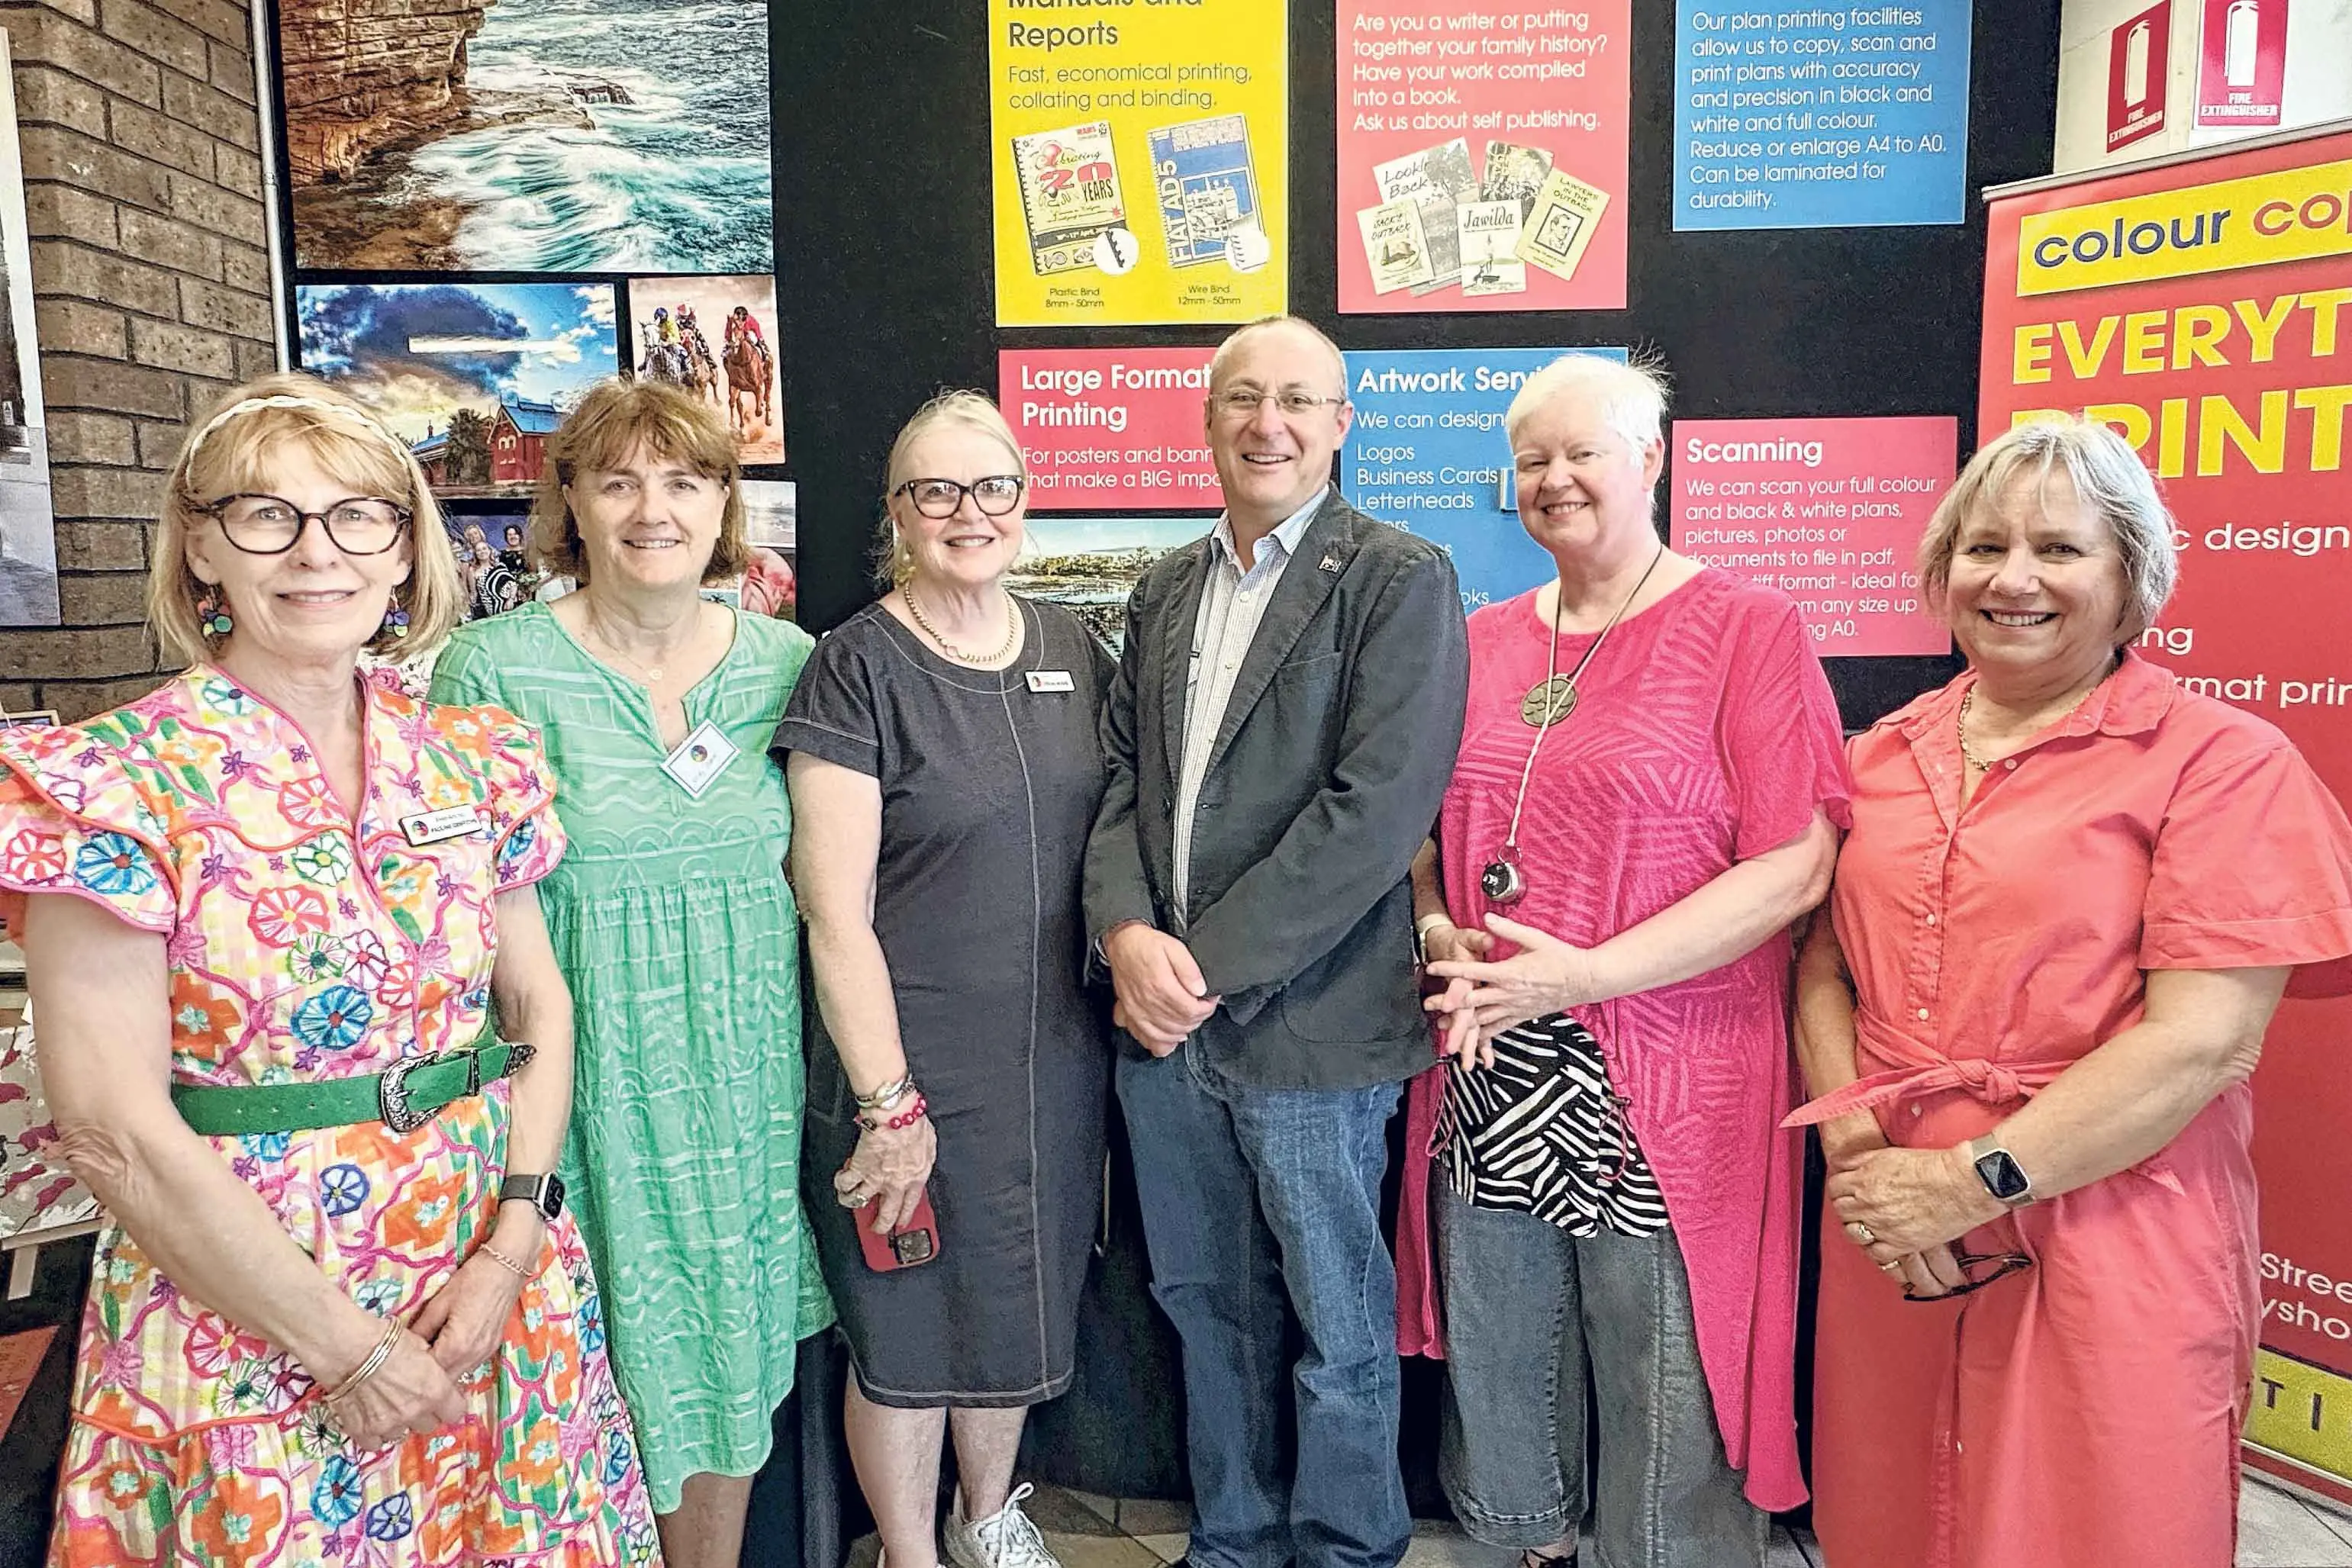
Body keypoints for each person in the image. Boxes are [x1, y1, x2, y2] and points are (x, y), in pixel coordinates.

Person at [5, 374, 657, 1565]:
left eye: (359, 514)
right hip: (248, 1310)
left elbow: (537, 1003)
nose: (318, 552)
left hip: (486, 1284)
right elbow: (111, 1129)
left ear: (406, 547)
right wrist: (345, 1349)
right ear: (200, 545)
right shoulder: (114, 784)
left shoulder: (472, 757)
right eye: (267, 515)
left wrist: (513, 1242)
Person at [1789, 417, 2352, 1568]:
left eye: (2058, 549)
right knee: (1893, 1507)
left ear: (2131, 576)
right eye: (1982, 546)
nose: (2012, 578)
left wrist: (1969, 1178)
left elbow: (2202, 1043)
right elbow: (1820, 965)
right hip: (1891, 1220)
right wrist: (1862, 1166)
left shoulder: (2219, 761)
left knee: (2101, 1515)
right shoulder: (1871, 756)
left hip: (2114, 1217)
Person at [1393, 353, 1846, 1568]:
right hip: (1490, 1062)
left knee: (1666, 1386)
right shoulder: (1481, 639)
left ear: (1649, 457)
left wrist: (1585, 975)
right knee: (1498, 1366)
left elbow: (1794, 867)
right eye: (1531, 458)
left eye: (1580, 451)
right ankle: (1520, 1548)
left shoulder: (1747, 629)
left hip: (1663, 1072)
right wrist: (1439, 927)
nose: (1553, 479)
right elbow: (1422, 836)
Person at [1083, 315, 1469, 1568]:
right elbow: (1124, 782)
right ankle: (1236, 1538)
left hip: (1311, 1023)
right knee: (1203, 1305)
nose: (1269, 424)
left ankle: (1347, 1545)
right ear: (1207, 420)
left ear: (1342, 424)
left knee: (1336, 1320)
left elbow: (1376, 813)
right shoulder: (1165, 588)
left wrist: (1199, 967)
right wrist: (1127, 931)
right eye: (1243, 399)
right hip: (1164, 1024)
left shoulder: (1399, 578)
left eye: (1298, 401)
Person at [430, 378, 831, 1568]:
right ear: (573, 506)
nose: (652, 509)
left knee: (721, 1355)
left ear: (722, 504)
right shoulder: (489, 670)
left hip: (744, 1090)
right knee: (582, 1360)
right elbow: (462, 921)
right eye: (617, 482)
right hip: (581, 1087)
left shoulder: (787, 662)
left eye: (684, 480)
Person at [776, 391, 1113, 1568]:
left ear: (1025, 500)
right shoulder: (854, 668)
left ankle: (989, 1517)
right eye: (935, 491)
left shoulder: (1073, 647)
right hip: (907, 1066)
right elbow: (834, 912)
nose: (966, 513)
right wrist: (888, 1102)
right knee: (911, 1329)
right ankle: (912, 1551)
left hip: (1053, 1063)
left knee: (1015, 1305)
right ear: (897, 514)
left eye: (991, 488)